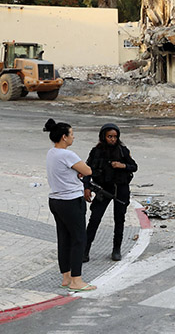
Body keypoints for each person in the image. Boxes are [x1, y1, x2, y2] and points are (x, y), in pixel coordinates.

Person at [43, 118, 96, 292]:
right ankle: (76, 280)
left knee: (64, 238)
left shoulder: (51, 153)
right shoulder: (68, 154)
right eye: (71, 134)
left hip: (56, 200)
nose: (73, 137)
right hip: (71, 201)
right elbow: (87, 170)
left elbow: (67, 172)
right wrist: (79, 172)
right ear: (64, 137)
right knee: (79, 238)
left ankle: (66, 277)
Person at [83, 123, 138, 262]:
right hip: (104, 189)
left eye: (115, 137)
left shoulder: (122, 151)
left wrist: (122, 165)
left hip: (121, 189)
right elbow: (87, 170)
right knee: (95, 219)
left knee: (119, 220)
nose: (112, 139)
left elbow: (134, 167)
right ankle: (85, 250)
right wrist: (87, 188)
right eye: (109, 136)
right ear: (103, 137)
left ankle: (116, 249)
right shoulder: (96, 151)